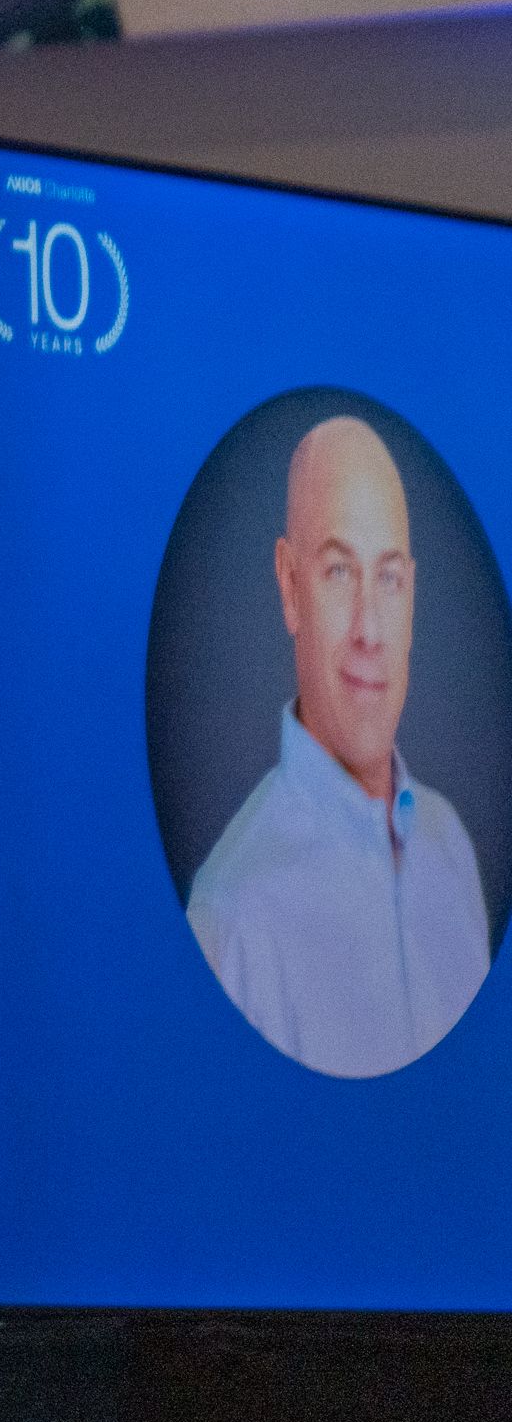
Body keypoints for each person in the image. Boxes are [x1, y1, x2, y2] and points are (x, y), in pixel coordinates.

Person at [186, 413, 491, 1078]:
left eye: (387, 578)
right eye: (337, 572)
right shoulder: (231, 921)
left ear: (412, 595)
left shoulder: (452, 848)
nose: (369, 632)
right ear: (290, 587)